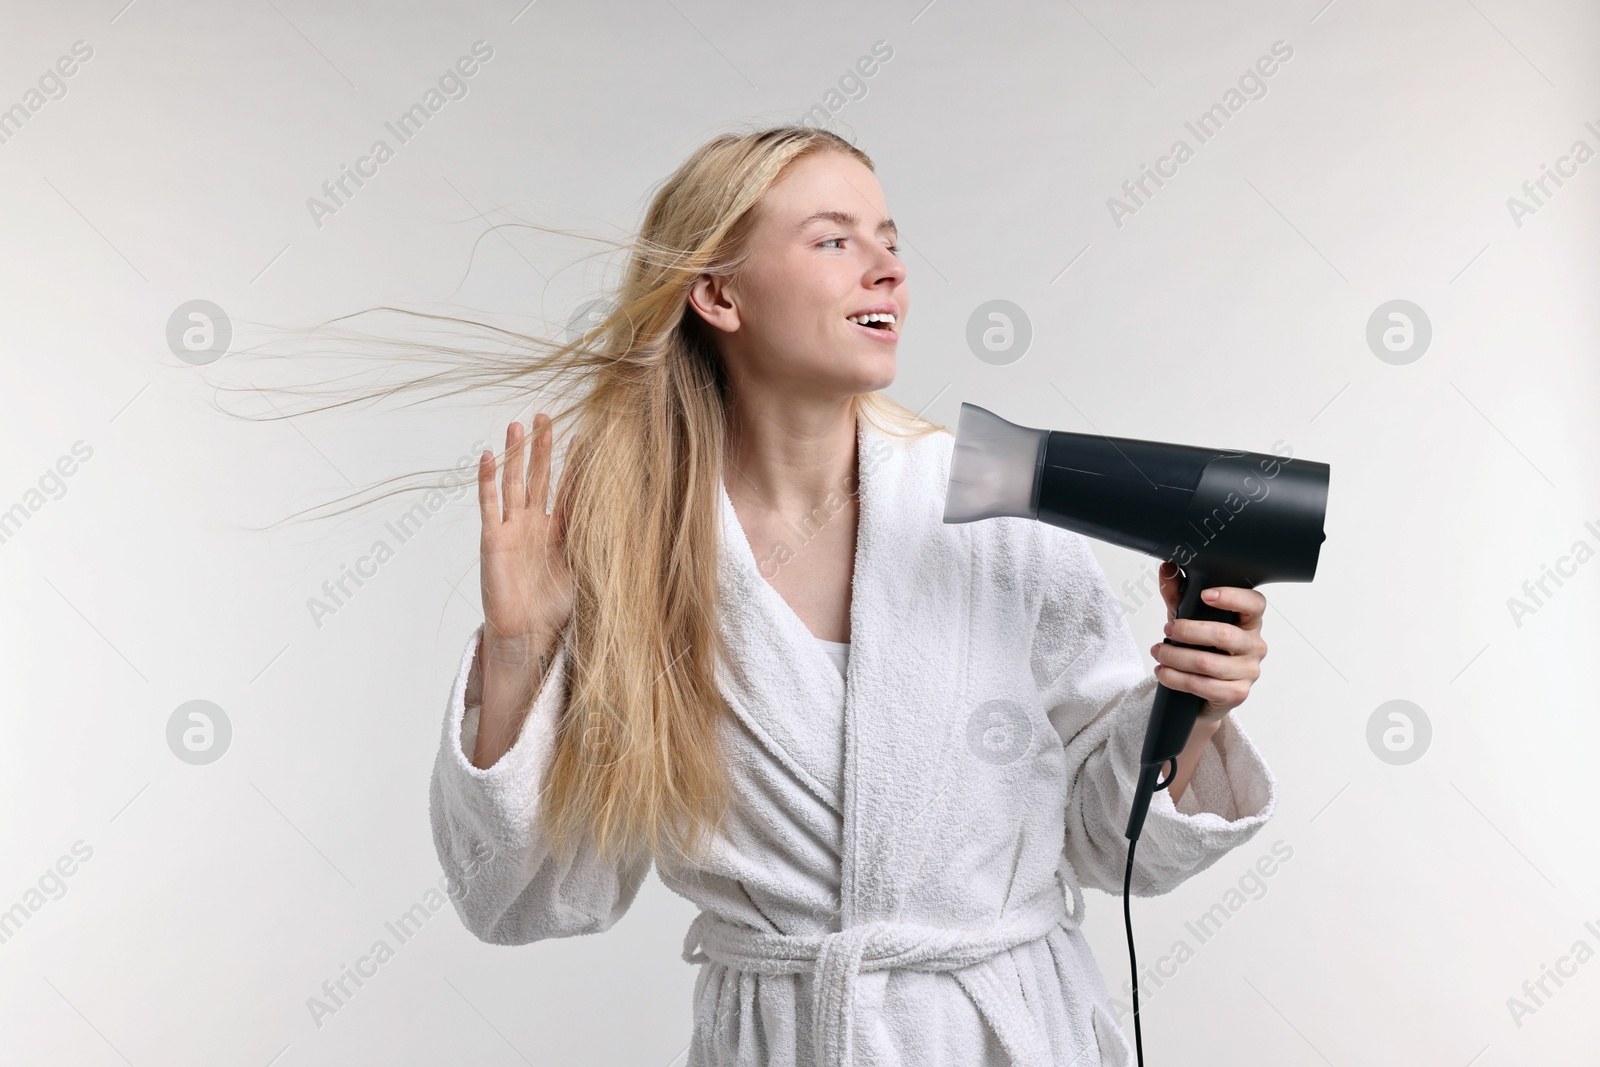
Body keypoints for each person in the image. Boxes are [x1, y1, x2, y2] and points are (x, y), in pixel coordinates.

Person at [428, 125, 1276, 1067]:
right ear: (718, 293)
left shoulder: (999, 513)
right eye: (835, 240)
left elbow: (1109, 845)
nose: (889, 271)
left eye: (891, 240)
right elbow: (531, 894)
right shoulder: (634, 553)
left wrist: (1191, 704)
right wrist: (519, 646)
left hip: (1007, 1034)